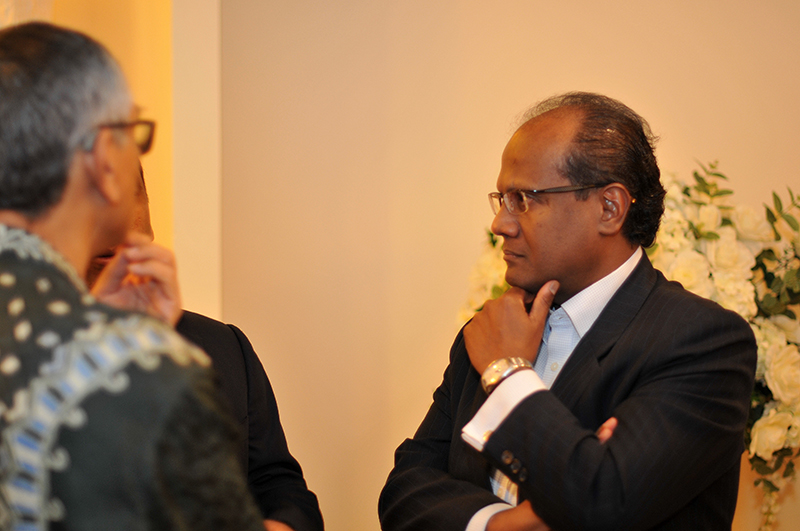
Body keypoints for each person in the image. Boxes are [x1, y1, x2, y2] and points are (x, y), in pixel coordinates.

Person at [378, 92, 757, 531]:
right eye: (501, 199)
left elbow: (602, 499)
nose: (501, 223)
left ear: (609, 208)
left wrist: (507, 374)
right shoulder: (494, 328)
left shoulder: (702, 341)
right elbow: (404, 490)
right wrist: (496, 525)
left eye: (524, 198)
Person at [0, 22, 264, 530]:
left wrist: (97, 324)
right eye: (134, 135)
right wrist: (126, 347)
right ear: (104, 161)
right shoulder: (138, 370)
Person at [88, 168, 325, 531]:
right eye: (90, 189)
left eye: (128, 187)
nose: (114, 212)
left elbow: (278, 486)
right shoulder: (19, 358)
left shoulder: (223, 347)